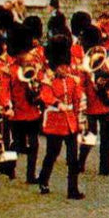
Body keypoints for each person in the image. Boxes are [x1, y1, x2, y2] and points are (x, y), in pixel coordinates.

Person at [37, 34, 85, 199]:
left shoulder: (73, 80)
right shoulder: (48, 81)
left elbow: (77, 101)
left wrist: (79, 120)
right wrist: (57, 104)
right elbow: (45, 96)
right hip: (55, 124)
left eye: (66, 66)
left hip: (70, 122)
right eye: (61, 67)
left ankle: (73, 189)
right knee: (52, 154)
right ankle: (43, 180)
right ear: (55, 66)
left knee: (73, 158)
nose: (65, 69)